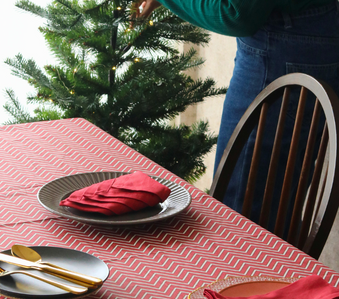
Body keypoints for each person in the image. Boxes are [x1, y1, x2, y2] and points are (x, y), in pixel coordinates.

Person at [132, 0, 339, 229]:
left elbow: (236, 13)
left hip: (280, 52)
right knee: (276, 208)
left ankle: (250, 265)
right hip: (311, 38)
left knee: (238, 215)